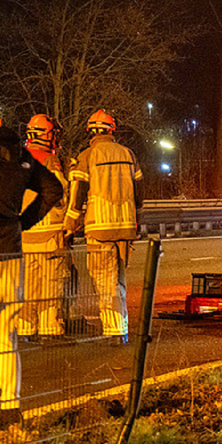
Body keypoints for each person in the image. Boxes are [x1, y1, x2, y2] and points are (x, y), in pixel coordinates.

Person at [0, 95, 63, 435]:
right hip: (10, 254)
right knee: (5, 337)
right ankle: (11, 408)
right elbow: (53, 190)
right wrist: (23, 222)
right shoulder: (19, 154)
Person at [63, 110, 143, 345]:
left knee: (104, 280)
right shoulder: (129, 154)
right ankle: (121, 326)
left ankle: (115, 330)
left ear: (90, 131)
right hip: (126, 228)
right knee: (118, 279)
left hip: (99, 229)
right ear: (112, 130)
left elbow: (77, 196)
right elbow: (140, 195)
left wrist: (70, 225)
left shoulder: (87, 156)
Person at [19, 114, 70, 344]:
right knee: (50, 285)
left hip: (24, 237)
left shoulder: (17, 159)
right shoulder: (51, 162)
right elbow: (60, 195)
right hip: (49, 235)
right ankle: (50, 329)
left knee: (27, 286)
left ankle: (25, 328)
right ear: (46, 134)